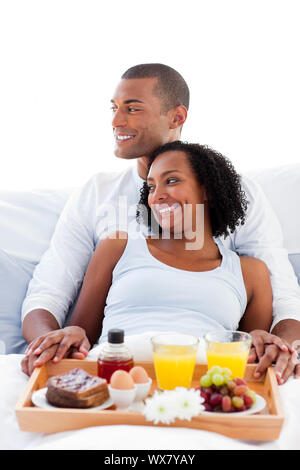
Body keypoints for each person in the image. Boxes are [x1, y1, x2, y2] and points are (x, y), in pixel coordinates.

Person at [21, 64, 300, 380]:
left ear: (177, 117)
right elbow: (50, 292)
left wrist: (282, 349)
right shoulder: (99, 198)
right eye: (114, 109)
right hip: (117, 368)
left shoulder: (242, 202)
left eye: (133, 109)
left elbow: (280, 298)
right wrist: (50, 344)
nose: (116, 121)